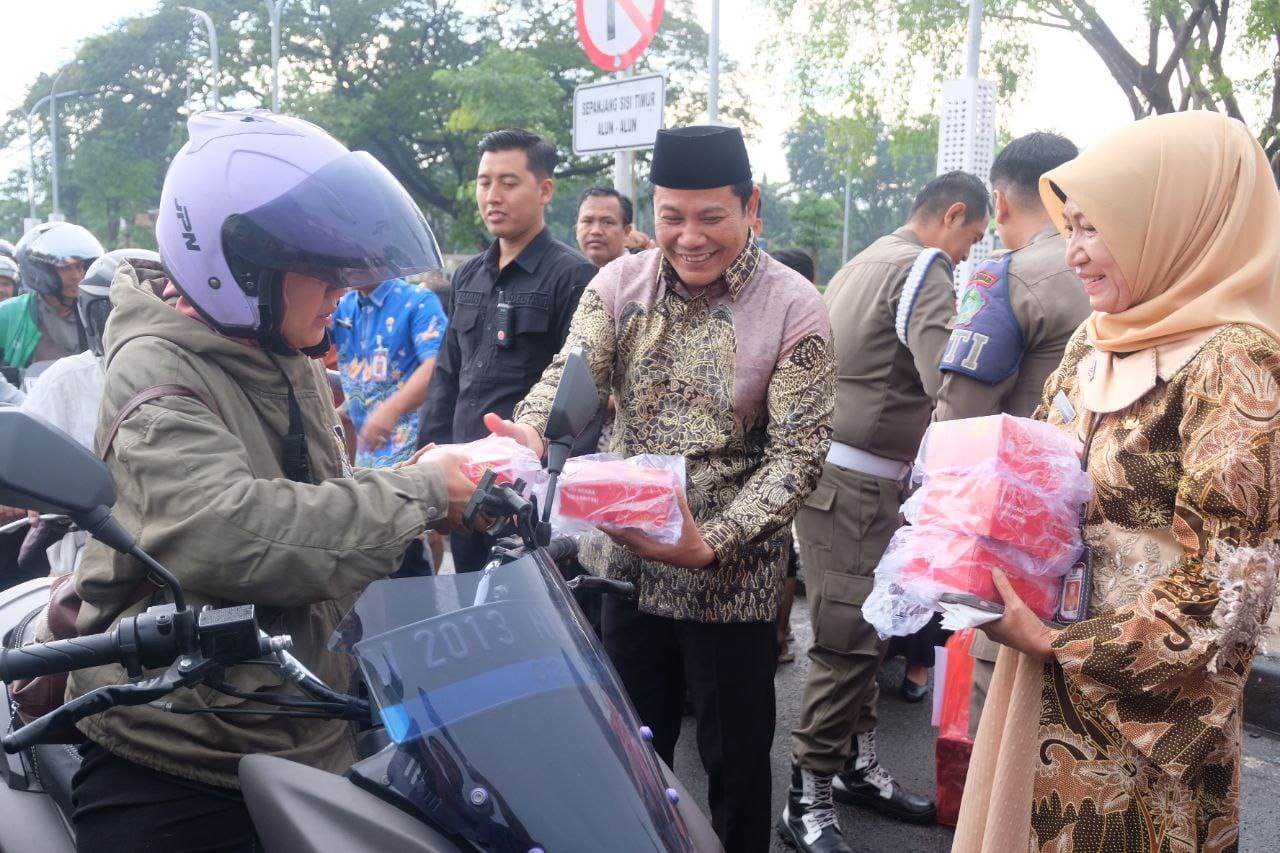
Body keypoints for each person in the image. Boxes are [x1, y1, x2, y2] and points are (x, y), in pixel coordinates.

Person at [65, 109, 476, 853]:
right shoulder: (157, 367)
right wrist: (419, 493)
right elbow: (233, 532)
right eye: (324, 273)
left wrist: (445, 499)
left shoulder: (283, 352)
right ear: (241, 263)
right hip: (180, 740)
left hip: (305, 718)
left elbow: (324, 504)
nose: (342, 296)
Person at [489, 124, 835, 853]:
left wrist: (712, 543)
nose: (690, 237)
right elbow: (571, 374)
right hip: (625, 568)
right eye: (672, 217)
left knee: (735, 764)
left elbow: (798, 455)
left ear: (752, 208)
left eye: (711, 217)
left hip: (730, 578)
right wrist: (531, 428)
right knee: (629, 756)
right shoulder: (618, 284)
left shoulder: (793, 306)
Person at [953, 111, 1280, 853]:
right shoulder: (1096, 339)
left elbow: (1234, 584)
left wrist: (1061, 641)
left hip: (1137, 711)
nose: (1073, 253)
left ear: (1174, 222)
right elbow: (1036, 471)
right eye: (1068, 227)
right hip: (1039, 663)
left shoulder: (1234, 360)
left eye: (1095, 229)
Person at [784, 171, 990, 852]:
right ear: (952, 216)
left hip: (836, 479)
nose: (967, 255)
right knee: (847, 643)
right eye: (972, 239)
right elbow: (948, 384)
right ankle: (806, 796)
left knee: (867, 633)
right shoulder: (923, 267)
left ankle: (851, 765)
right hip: (860, 487)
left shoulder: (864, 259)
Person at [929, 132, 1090, 737]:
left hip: (1020, 541)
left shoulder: (1006, 279)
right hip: (1111, 538)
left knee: (1005, 730)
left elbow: (959, 421)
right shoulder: (1138, 270)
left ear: (998, 203)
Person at [417, 127, 596, 572]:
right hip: (464, 487)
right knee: (474, 614)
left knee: (535, 624)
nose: (493, 195)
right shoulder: (468, 276)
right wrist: (427, 468)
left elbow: (584, 394)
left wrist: (558, 494)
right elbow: (447, 375)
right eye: (484, 182)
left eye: (509, 182)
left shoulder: (573, 277)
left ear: (545, 190)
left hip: (528, 496)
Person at [331, 277, 448, 468]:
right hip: (365, 452)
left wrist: (391, 410)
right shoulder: (344, 307)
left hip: (409, 450)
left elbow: (436, 366)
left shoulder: (420, 302)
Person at [1, 221, 103, 378]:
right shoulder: (9, 314)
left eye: (80, 267)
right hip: (27, 400)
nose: (76, 276)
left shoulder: (97, 312)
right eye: (65, 268)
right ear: (40, 270)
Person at [575, 186, 636, 267]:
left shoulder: (643, 276)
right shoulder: (568, 275)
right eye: (587, 221)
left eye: (607, 222)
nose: (596, 231)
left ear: (626, 231)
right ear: (576, 230)